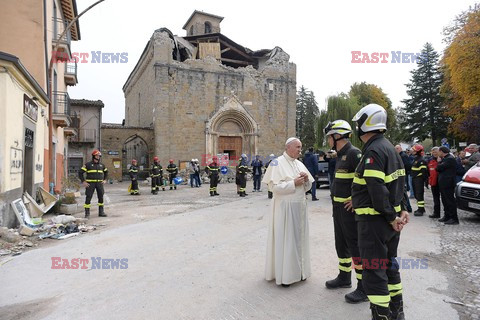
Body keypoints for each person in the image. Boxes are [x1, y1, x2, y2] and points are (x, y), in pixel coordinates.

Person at [351, 104, 409, 320]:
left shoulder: (374, 151)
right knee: (389, 266)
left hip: (375, 222)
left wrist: (391, 216)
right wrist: (401, 210)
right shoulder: (389, 148)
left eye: (359, 123)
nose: (357, 127)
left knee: (374, 272)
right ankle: (397, 313)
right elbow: (399, 182)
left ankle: (381, 316)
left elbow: (377, 189)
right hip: (389, 223)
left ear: (366, 124)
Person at [323, 120, 367, 303]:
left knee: (355, 246)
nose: (327, 140)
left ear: (337, 136)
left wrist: (356, 200)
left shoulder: (354, 153)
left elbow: (366, 179)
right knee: (341, 244)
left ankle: (364, 287)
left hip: (349, 211)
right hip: (338, 208)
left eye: (329, 137)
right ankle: (344, 277)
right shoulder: (341, 154)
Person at [263, 137, 314, 287]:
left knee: (300, 241)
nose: (300, 150)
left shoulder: (299, 163)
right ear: (288, 147)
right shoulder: (276, 162)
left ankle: (301, 272)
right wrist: (293, 183)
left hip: (300, 209)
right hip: (285, 209)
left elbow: (308, 187)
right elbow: (274, 188)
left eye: (301, 147)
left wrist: (305, 181)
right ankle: (286, 276)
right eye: (298, 147)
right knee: (288, 241)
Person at [79, 150, 108, 218]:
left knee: (101, 197)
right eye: (97, 155)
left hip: (99, 183)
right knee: (88, 198)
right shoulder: (88, 165)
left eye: (99, 156)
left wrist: (105, 180)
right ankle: (87, 213)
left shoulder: (102, 165)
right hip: (90, 184)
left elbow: (106, 172)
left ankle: (101, 212)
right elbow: (80, 173)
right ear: (93, 156)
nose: (98, 157)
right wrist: (83, 181)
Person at [437, 146, 459, 225]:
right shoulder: (445, 158)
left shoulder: (449, 159)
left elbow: (439, 168)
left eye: (438, 151)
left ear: (442, 151)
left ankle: (454, 218)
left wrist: (439, 162)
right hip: (444, 183)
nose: (438, 153)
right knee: (444, 200)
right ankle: (447, 216)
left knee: (450, 201)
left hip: (448, 183)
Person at [410, 144, 428, 216]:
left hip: (419, 179)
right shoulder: (416, 159)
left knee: (419, 194)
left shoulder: (421, 160)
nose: (412, 151)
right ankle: (421, 208)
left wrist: (423, 180)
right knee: (416, 194)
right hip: (415, 178)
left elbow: (424, 172)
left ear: (418, 151)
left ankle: (420, 210)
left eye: (414, 150)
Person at [395, 145, 412, 213]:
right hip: (401, 175)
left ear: (400, 149)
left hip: (402, 176)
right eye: (395, 148)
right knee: (402, 192)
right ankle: (407, 207)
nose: (396, 150)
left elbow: (407, 165)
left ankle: (408, 207)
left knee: (403, 192)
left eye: (397, 148)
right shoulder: (400, 155)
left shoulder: (403, 156)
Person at [427, 147, 441, 219]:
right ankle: (436, 213)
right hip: (433, 182)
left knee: (445, 199)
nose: (435, 153)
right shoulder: (430, 160)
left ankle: (447, 214)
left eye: (436, 152)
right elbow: (428, 171)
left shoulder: (442, 159)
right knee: (435, 198)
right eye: (433, 152)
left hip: (441, 182)